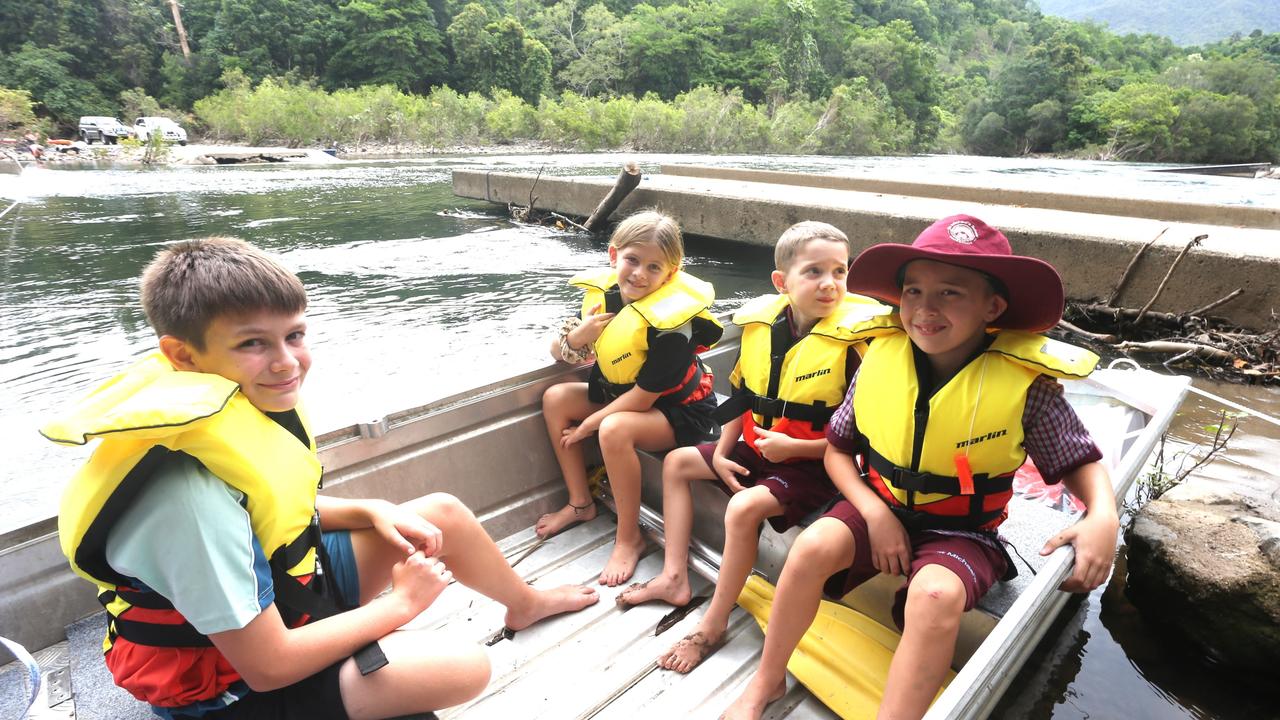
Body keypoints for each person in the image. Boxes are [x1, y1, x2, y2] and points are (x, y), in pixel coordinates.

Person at [44, 237, 599, 720]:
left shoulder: (231, 407)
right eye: (252, 343)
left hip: (282, 595)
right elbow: (266, 666)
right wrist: (399, 608)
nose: (287, 363)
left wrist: (370, 510)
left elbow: (277, 507)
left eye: (294, 335)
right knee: (464, 667)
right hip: (226, 686)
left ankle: (522, 603)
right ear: (182, 356)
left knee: (440, 513)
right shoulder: (185, 499)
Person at [723, 214, 1117, 720]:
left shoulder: (1027, 385)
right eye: (913, 292)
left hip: (964, 528)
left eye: (950, 293)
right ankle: (767, 681)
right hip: (879, 502)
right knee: (811, 547)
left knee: (933, 595)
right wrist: (875, 512)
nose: (925, 310)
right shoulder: (880, 360)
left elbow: (1080, 462)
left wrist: (1101, 517)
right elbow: (840, 452)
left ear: (992, 306)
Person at [616, 221, 885, 673]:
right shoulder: (762, 327)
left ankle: (712, 626)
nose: (830, 284)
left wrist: (795, 449)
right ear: (782, 282)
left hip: (815, 465)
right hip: (760, 446)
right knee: (680, 463)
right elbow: (743, 397)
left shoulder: (856, 346)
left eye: (840, 272)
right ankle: (674, 576)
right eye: (814, 272)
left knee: (742, 510)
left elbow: (869, 441)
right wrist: (722, 450)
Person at [541, 210, 723, 586]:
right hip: (625, 398)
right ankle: (581, 504)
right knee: (557, 397)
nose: (639, 273)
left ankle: (629, 537)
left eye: (654, 267)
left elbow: (643, 399)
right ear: (614, 256)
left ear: (670, 274)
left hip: (679, 411)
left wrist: (589, 424)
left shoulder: (672, 325)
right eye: (632, 260)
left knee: (613, 429)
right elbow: (556, 351)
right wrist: (577, 337)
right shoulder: (605, 299)